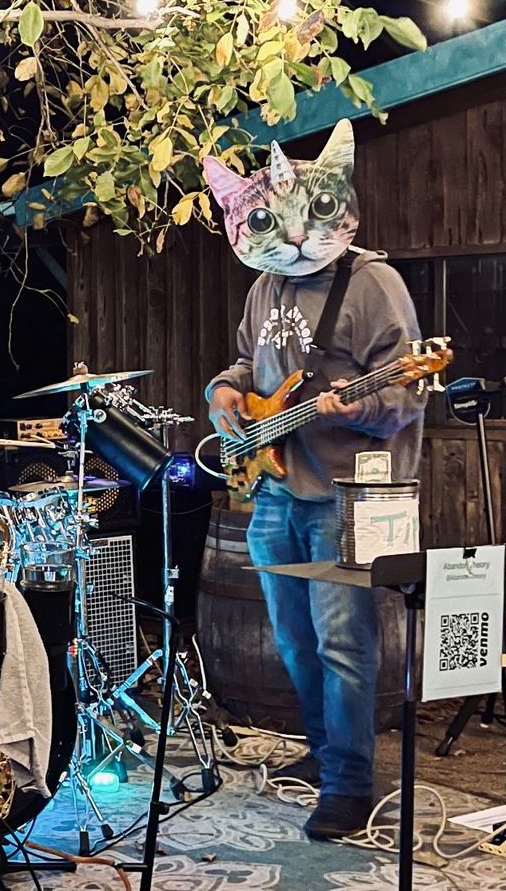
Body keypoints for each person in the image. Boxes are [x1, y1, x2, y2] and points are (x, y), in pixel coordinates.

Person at [202, 118, 423, 839]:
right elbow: (247, 363)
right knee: (294, 642)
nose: (296, 236)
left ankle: (350, 785)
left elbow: (410, 390)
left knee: (343, 646)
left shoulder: (374, 283)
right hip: (273, 490)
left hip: (343, 498)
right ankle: (326, 753)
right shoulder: (265, 286)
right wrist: (224, 392)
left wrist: (360, 407)